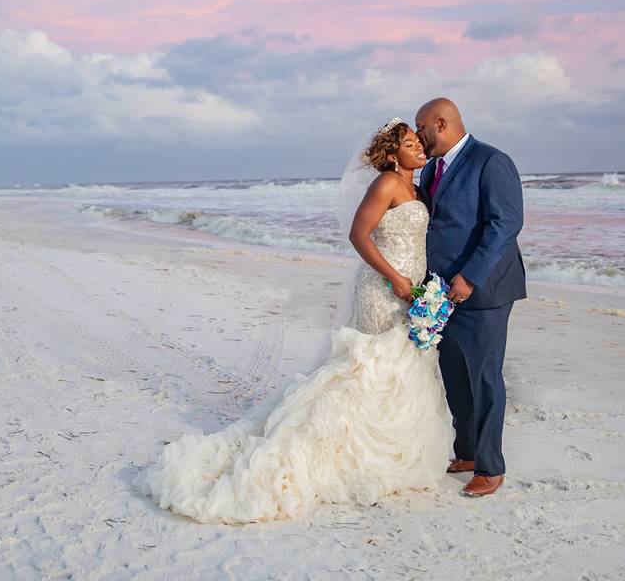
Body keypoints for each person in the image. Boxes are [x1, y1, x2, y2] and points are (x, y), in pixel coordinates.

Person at [135, 119, 454, 523]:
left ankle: (391, 448)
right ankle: (340, 449)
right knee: (370, 367)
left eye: (418, 143)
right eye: (410, 144)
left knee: (402, 367)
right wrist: (394, 277)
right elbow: (359, 234)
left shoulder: (415, 188)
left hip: (413, 289)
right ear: (392, 155)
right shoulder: (387, 184)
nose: (420, 149)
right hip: (384, 288)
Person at [415, 97, 526, 497]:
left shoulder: (490, 161)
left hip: (484, 291)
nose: (418, 136)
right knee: (455, 376)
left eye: (422, 128)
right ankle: (465, 452)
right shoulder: (431, 169)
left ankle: (491, 466)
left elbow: (505, 224)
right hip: (439, 292)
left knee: (485, 378)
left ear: (441, 124)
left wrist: (470, 277)